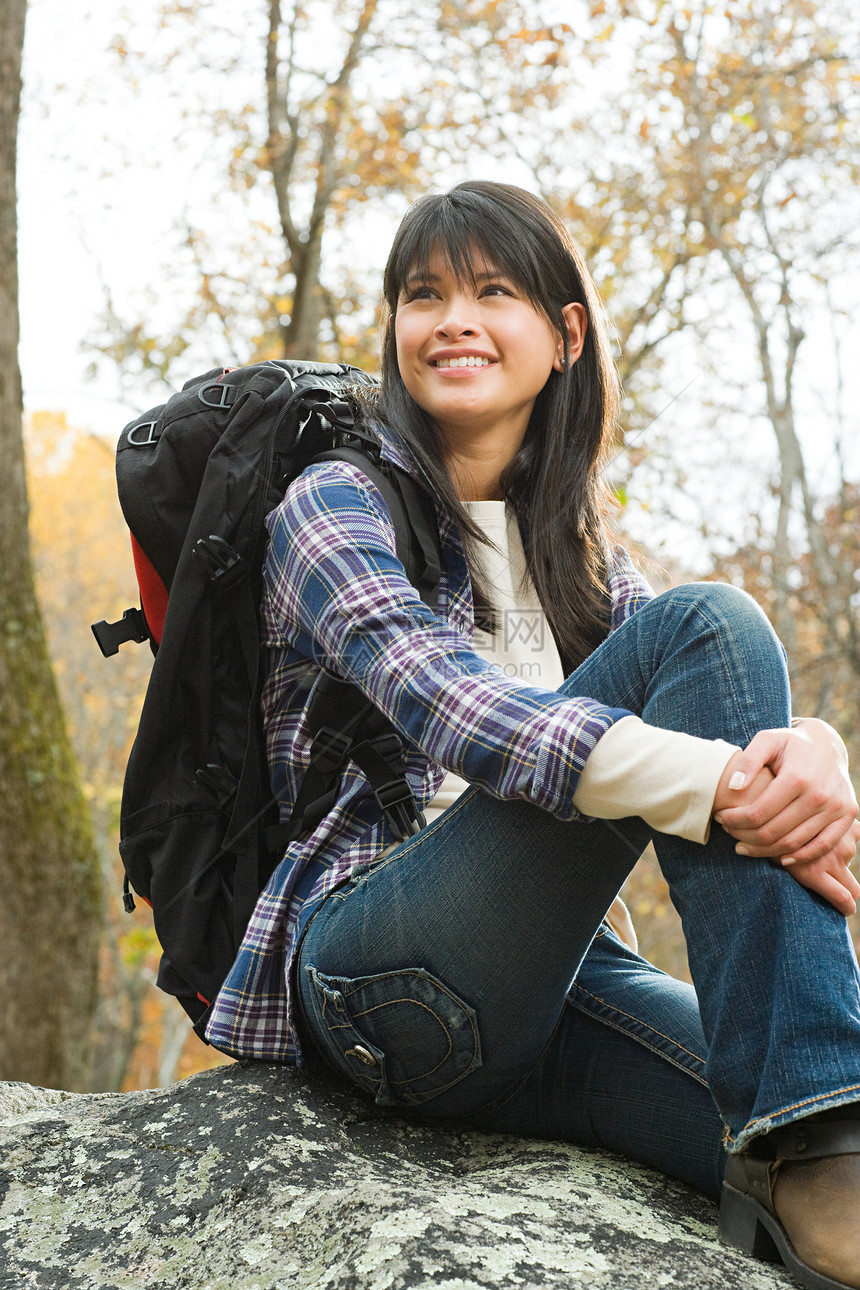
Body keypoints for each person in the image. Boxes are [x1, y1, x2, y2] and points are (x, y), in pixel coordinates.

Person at [206, 181, 860, 1290]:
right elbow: (450, 705)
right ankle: (820, 1141)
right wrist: (722, 783)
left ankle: (806, 1143)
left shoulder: (583, 563)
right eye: (424, 295)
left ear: (563, 336)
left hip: (545, 1003)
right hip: (375, 971)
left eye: (492, 290)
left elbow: (714, 698)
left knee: (803, 1088)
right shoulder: (334, 506)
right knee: (713, 620)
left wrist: (811, 750)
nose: (451, 318)